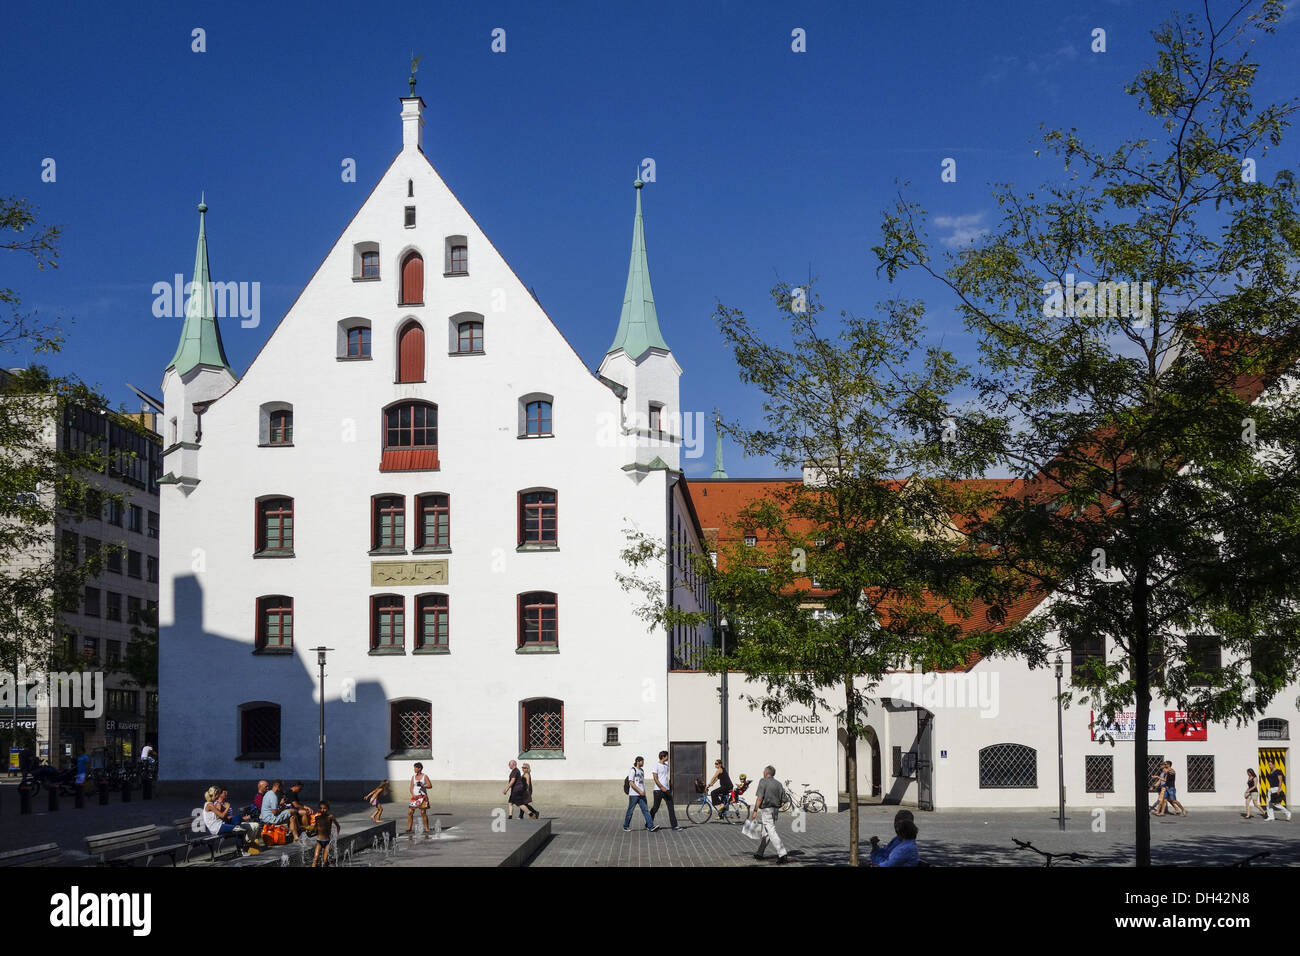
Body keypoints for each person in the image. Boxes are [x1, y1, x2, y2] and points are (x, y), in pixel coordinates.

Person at [203, 786, 252, 852]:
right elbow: (222, 815)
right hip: (216, 827)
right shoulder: (209, 805)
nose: (218, 797)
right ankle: (240, 851)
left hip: (220, 825)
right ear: (214, 794)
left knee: (238, 825)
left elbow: (220, 813)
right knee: (238, 830)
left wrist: (223, 807)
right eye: (217, 794)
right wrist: (227, 808)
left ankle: (241, 850)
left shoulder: (211, 804)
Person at [623, 756, 658, 831]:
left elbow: (641, 783)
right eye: (642, 761)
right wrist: (639, 791)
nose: (643, 763)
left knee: (645, 810)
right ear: (638, 761)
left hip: (642, 795)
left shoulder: (642, 770)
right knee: (630, 811)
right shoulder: (633, 770)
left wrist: (643, 792)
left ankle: (650, 826)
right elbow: (631, 782)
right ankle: (625, 826)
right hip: (634, 795)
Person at [649, 750, 681, 830]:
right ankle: (648, 823)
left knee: (671, 807)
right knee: (655, 808)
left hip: (667, 790)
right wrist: (661, 787)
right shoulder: (656, 765)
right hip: (658, 790)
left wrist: (670, 787)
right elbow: (655, 778)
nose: (668, 757)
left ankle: (674, 826)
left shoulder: (666, 766)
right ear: (663, 756)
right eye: (667, 756)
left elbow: (667, 778)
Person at [311, 800, 342, 867]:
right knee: (315, 859)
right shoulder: (317, 817)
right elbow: (315, 828)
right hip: (319, 841)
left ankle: (329, 864)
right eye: (321, 808)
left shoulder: (330, 817)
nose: (322, 810)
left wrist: (336, 835)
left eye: (324, 808)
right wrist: (311, 831)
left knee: (325, 860)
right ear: (319, 809)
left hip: (327, 842)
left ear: (328, 809)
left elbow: (338, 826)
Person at [406, 762, 431, 834]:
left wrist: (424, 785)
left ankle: (426, 828)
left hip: (423, 797)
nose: (414, 769)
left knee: (423, 812)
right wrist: (413, 794)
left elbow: (430, 785)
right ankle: (409, 827)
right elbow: (411, 787)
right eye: (414, 768)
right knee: (410, 812)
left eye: (415, 768)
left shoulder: (424, 776)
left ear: (419, 768)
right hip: (415, 797)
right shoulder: (413, 777)